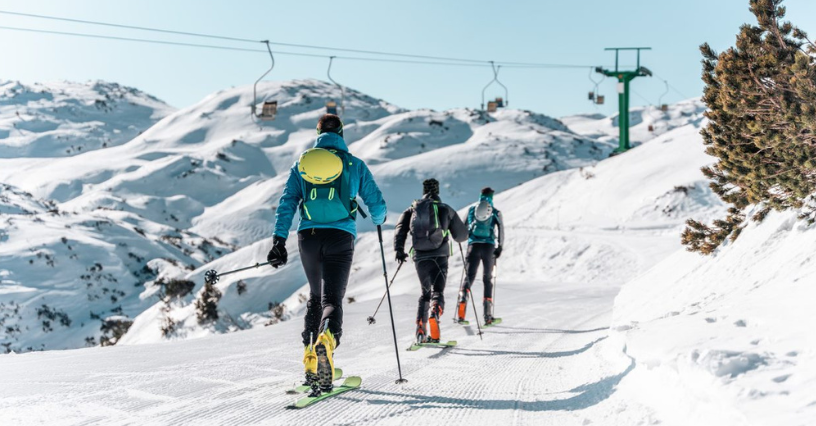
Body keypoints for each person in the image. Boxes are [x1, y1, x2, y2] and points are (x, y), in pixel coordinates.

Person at [267, 114, 387, 394]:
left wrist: (278, 239)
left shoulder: (302, 164)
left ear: (317, 133)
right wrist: (378, 219)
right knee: (332, 298)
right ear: (342, 134)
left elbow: (287, 202)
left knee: (314, 298)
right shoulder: (354, 164)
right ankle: (327, 343)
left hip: (307, 237)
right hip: (340, 237)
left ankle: (311, 359)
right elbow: (377, 206)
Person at [393, 178, 468, 344]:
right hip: (440, 256)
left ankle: (421, 330)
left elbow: (400, 230)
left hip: (420, 257)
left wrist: (399, 250)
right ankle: (435, 312)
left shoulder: (412, 209)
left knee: (425, 293)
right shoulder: (445, 209)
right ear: (438, 191)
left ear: (423, 191)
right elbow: (462, 236)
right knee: (437, 292)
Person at [457, 187, 504, 325]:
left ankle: (461, 312)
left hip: (473, 246)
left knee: (469, 277)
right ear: (491, 197)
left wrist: (463, 239)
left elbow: (462, 227)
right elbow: (501, 229)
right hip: (488, 247)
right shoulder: (495, 212)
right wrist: (499, 247)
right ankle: (487, 316)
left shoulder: (472, 209)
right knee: (487, 279)